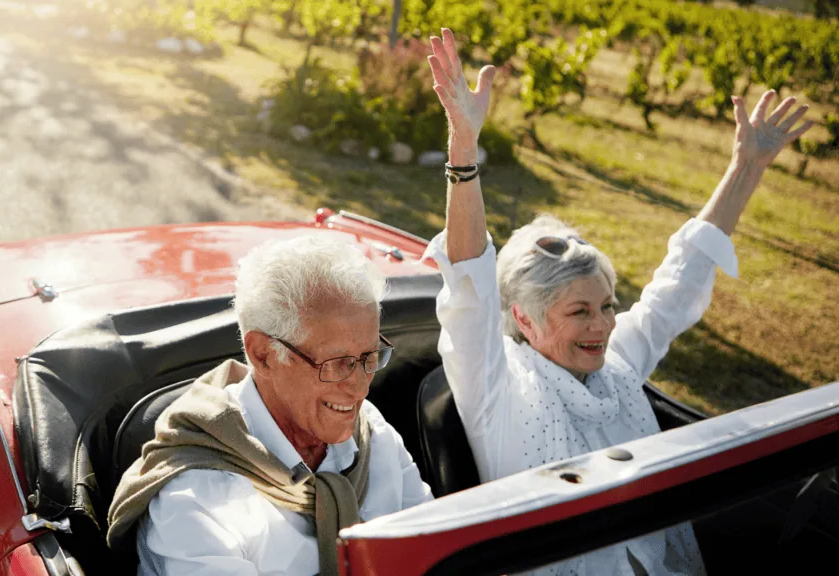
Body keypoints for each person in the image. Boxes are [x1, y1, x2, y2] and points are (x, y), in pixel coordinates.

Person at [423, 28, 814, 576]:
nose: (603, 326)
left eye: (607, 306)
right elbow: (468, 285)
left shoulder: (615, 364)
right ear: (523, 319)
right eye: (579, 311)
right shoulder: (495, 388)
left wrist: (746, 166)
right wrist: (463, 149)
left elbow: (679, 279)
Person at [106, 235, 433, 576]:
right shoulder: (195, 500)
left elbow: (438, 553)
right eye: (336, 363)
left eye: (369, 357)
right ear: (263, 355)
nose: (359, 386)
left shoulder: (372, 433)